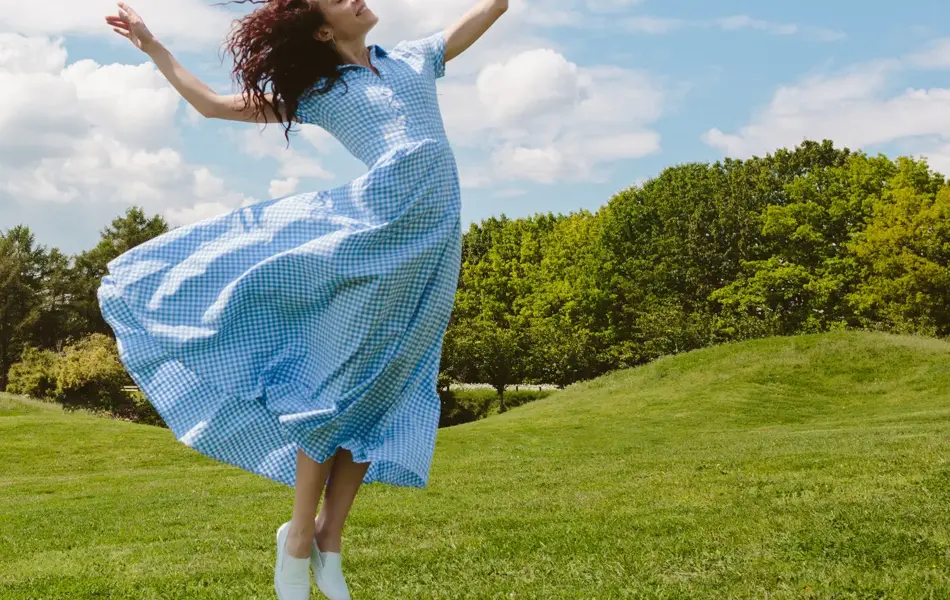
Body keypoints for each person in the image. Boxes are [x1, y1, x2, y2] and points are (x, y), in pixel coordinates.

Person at [100, 0, 508, 598]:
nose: (356, 0)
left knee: (388, 385)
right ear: (322, 30)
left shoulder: (417, 58)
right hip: (369, 234)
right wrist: (153, 45)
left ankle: (328, 539)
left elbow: (495, 5)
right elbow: (211, 105)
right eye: (339, 0)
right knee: (335, 385)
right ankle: (296, 537)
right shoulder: (321, 91)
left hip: (430, 245)